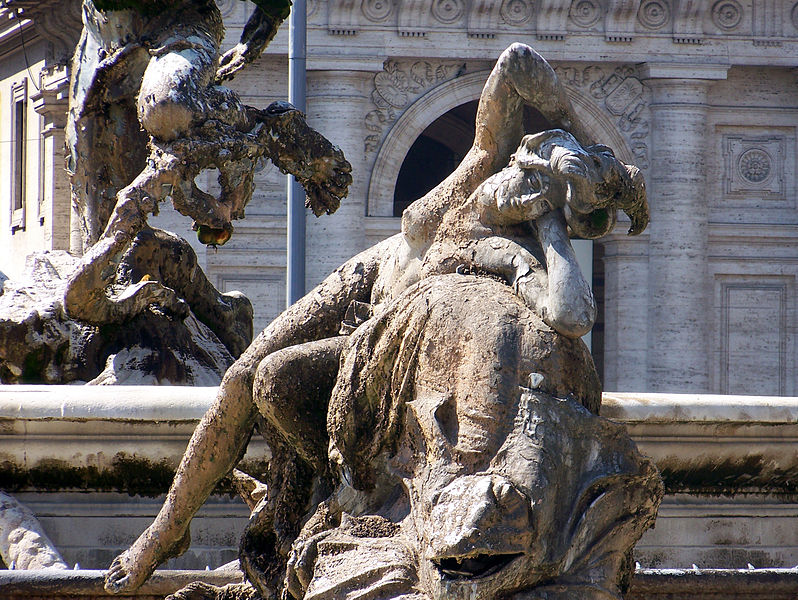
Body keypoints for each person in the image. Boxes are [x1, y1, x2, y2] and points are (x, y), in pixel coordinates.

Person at [104, 43, 647, 595]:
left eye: (561, 187)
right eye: (544, 162)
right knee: (241, 376)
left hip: (390, 329)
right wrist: (578, 136)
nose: (538, 172)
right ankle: (166, 530)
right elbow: (515, 63)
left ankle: (327, 497)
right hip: (373, 273)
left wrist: (556, 210)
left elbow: (569, 312)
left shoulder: (525, 252)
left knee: (269, 382)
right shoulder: (488, 159)